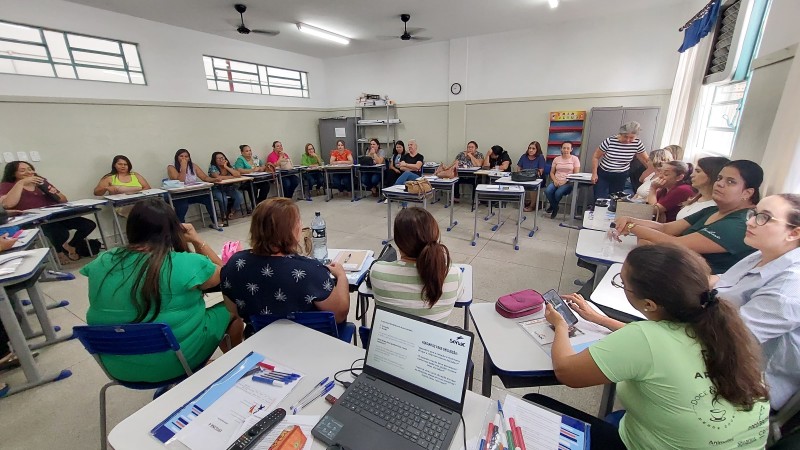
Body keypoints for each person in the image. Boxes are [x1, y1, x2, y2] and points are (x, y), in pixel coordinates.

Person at [531, 243, 770, 449]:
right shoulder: (726, 330)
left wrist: (560, 325)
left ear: (649, 304)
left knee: (534, 404)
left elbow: (567, 371)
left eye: (622, 282)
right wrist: (600, 319)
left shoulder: (645, 337)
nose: (622, 286)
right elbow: (663, 346)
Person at [80, 198, 242, 383]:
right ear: (173, 230)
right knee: (232, 306)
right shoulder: (183, 263)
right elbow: (226, 276)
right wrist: (197, 240)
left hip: (118, 367)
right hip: (176, 364)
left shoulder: (103, 260)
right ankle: (236, 362)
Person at [710, 194, 800, 410]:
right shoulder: (763, 254)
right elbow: (718, 283)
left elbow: (728, 339)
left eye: (764, 218)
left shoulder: (788, 289)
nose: (750, 221)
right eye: (754, 214)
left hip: (743, 383)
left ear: (794, 233)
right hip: (715, 342)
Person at [220, 198, 350, 335]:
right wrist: (341, 276)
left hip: (260, 342)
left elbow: (233, 309)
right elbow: (339, 314)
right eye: (298, 222)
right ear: (291, 230)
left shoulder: (235, 264)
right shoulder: (310, 271)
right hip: (309, 345)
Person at [616, 160, 763, 274]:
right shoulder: (713, 210)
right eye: (719, 178)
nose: (720, 184)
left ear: (747, 193)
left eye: (731, 182)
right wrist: (630, 220)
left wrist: (631, 227)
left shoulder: (739, 224)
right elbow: (666, 228)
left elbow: (676, 243)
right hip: (675, 269)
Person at [370, 207, 463, 323]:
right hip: (433, 340)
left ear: (398, 241)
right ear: (435, 236)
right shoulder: (454, 274)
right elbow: (460, 297)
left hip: (392, 340)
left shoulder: (377, 272)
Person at [0, 161, 97, 264]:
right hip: (35, 220)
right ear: (13, 173)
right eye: (22, 170)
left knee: (88, 225)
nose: (28, 172)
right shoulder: (7, 185)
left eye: (30, 169)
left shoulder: (41, 182)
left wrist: (50, 191)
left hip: (55, 215)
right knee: (61, 233)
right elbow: (7, 204)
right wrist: (21, 183)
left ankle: (70, 246)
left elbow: (63, 200)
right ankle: (59, 252)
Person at [591, 121, 650, 201]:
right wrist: (594, 174)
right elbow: (595, 156)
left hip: (621, 175)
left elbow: (646, 160)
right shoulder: (610, 141)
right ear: (621, 134)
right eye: (625, 137)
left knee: (616, 199)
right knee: (600, 197)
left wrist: (652, 174)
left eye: (631, 138)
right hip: (604, 174)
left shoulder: (637, 143)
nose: (628, 140)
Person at [166, 148, 218, 225]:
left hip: (192, 192)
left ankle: (215, 222)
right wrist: (183, 167)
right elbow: (180, 181)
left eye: (186, 156)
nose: (184, 158)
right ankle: (180, 226)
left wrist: (215, 179)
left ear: (189, 158)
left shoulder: (193, 166)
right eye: (181, 156)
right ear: (177, 157)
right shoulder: (171, 167)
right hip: (179, 195)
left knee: (208, 198)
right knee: (183, 206)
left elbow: (204, 177)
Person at [676, 156, 730, 220]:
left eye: (698, 171)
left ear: (712, 175)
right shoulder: (696, 198)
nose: (692, 175)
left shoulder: (714, 207)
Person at [208, 151, 244, 227]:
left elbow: (238, 174)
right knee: (223, 199)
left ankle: (232, 212)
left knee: (239, 196)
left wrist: (226, 166)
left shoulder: (228, 166)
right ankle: (223, 215)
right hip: (217, 188)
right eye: (218, 159)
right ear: (215, 160)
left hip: (229, 187)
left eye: (222, 158)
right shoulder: (213, 167)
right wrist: (232, 177)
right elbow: (218, 177)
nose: (221, 160)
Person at [544, 142, 580, 218]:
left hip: (568, 182)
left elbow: (576, 174)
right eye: (564, 148)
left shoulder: (575, 159)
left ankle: (553, 206)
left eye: (568, 148)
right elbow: (552, 172)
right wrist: (555, 180)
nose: (566, 150)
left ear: (571, 149)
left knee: (557, 193)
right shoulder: (556, 159)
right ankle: (555, 207)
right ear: (561, 149)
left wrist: (565, 181)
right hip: (556, 180)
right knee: (547, 191)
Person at [517, 141, 547, 211]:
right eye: (529, 148)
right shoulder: (524, 156)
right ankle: (523, 203)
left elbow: (540, 171)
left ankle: (532, 206)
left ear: (537, 150)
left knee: (532, 186)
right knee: (517, 184)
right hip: (524, 177)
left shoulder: (540, 157)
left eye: (533, 148)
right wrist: (520, 175)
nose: (530, 150)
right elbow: (518, 167)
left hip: (536, 178)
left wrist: (531, 177)